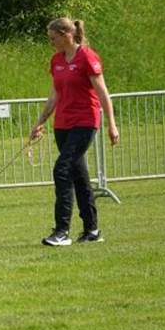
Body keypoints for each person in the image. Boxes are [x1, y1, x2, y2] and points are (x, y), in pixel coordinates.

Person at [30, 17, 119, 247]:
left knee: (62, 169)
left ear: (66, 34)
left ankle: (62, 232)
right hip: (62, 124)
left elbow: (102, 92)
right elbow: (55, 95)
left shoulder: (87, 57)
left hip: (85, 121)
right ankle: (92, 230)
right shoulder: (56, 60)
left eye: (53, 38)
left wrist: (111, 124)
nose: (51, 43)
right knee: (79, 177)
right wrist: (39, 122)